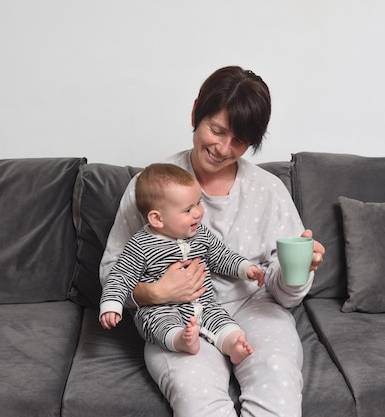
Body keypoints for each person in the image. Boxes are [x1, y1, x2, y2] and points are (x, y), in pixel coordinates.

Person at [100, 66, 325, 417]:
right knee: (196, 397)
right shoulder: (150, 188)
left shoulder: (269, 191)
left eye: (239, 141)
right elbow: (113, 273)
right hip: (174, 317)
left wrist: (298, 271)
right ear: (195, 114)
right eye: (216, 130)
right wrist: (154, 293)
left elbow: (283, 294)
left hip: (255, 309)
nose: (223, 148)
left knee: (279, 380)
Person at [99, 163, 265, 365]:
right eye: (188, 209)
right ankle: (181, 340)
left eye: (198, 202)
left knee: (222, 320)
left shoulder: (200, 234)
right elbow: (121, 276)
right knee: (158, 324)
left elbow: (221, 256)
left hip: (203, 304)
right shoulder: (140, 245)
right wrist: (112, 305)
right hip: (160, 309)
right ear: (157, 219)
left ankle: (233, 345)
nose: (198, 212)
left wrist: (246, 268)